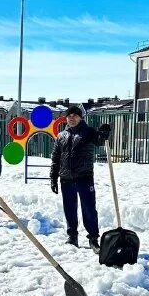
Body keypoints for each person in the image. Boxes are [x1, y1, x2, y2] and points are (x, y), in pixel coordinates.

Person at [50, 105, 111, 253]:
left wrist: (104, 135)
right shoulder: (61, 136)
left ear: (80, 117)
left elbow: (99, 141)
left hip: (84, 178)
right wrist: (53, 177)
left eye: (75, 115)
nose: (71, 118)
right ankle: (72, 237)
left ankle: (93, 239)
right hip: (66, 179)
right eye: (69, 115)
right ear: (66, 118)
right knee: (69, 209)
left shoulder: (88, 132)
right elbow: (55, 158)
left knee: (89, 209)